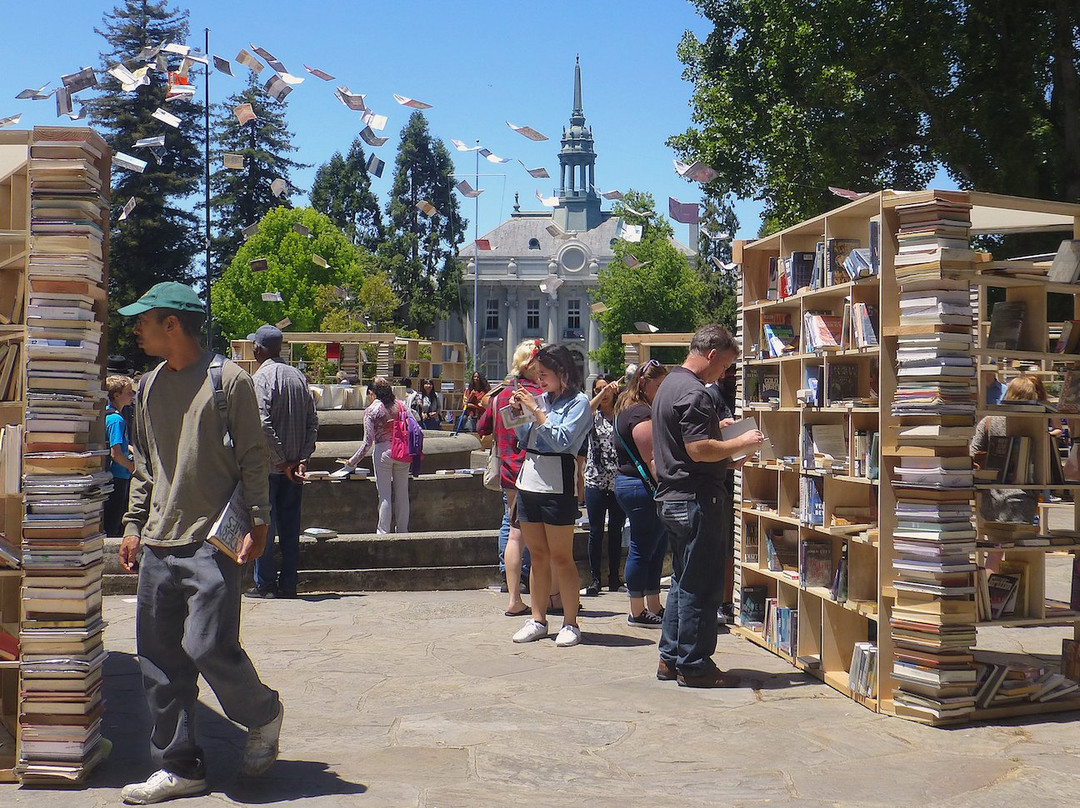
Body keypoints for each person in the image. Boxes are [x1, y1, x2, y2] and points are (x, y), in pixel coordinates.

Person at [116, 282, 283, 804]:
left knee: (209, 646)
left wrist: (259, 520)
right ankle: (180, 765)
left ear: (173, 325)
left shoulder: (229, 381)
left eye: (145, 319)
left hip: (212, 542)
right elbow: (146, 464)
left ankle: (263, 713)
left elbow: (254, 456)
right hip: (159, 543)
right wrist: (131, 524)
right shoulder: (145, 387)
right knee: (159, 662)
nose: (136, 328)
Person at [652, 324, 763, 687]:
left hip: (672, 496)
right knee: (701, 584)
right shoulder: (696, 393)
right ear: (712, 355)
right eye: (724, 366)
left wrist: (720, 434)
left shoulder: (669, 385)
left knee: (683, 581)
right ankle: (695, 665)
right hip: (697, 499)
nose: (724, 375)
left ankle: (670, 659)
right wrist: (741, 441)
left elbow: (683, 446)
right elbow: (699, 450)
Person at [509, 345, 593, 648]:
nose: (539, 380)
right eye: (537, 374)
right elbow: (523, 439)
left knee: (561, 557)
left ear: (563, 372)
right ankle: (537, 618)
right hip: (529, 481)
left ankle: (570, 622)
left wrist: (534, 411)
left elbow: (562, 440)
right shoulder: (541, 400)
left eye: (544, 374)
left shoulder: (579, 403)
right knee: (537, 557)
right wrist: (518, 414)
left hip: (557, 484)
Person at [246, 325, 319, 600]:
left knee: (264, 524)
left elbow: (262, 423)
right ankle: (289, 583)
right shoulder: (299, 377)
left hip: (268, 467)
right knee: (290, 528)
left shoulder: (261, 378)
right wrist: (301, 458)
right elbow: (313, 421)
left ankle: (265, 584)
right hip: (294, 470)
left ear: (258, 349)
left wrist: (282, 459)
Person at [476, 340, 547, 615]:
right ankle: (541, 593)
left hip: (507, 469)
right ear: (532, 364)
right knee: (537, 532)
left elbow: (482, 428)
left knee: (511, 527)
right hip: (533, 469)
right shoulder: (538, 395)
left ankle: (512, 591)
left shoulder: (499, 395)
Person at [613, 360, 670, 627]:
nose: (662, 391)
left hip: (633, 484)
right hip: (641, 486)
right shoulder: (639, 413)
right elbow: (652, 460)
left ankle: (653, 606)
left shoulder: (628, 408)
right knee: (642, 547)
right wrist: (669, 487)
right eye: (659, 385)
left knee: (654, 547)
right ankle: (637, 611)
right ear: (644, 384)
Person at [342, 377, 416, 533]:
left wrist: (353, 461)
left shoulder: (372, 410)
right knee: (402, 494)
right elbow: (414, 426)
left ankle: (383, 532)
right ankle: (403, 531)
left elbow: (367, 442)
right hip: (403, 452)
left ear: (372, 393)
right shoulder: (401, 405)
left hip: (383, 451)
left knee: (384, 495)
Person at [971, 374, 1044, 524]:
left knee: (995, 543)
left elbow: (972, 453)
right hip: (1022, 499)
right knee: (1019, 544)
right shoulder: (1035, 425)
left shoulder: (989, 421)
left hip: (990, 498)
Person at [583, 374, 626, 597]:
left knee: (616, 530)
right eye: (599, 389)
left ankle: (614, 578)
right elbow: (585, 411)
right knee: (596, 531)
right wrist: (600, 394)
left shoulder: (621, 415)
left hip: (618, 480)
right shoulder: (592, 415)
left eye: (607, 389)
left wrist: (620, 390)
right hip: (595, 480)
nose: (604, 393)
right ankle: (595, 579)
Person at [104, 375, 136, 538]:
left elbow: (121, 444)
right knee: (114, 522)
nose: (132, 396)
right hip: (118, 476)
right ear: (117, 395)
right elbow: (116, 453)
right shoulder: (117, 420)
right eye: (129, 392)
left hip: (112, 476)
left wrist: (132, 450)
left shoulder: (109, 415)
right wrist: (132, 467)